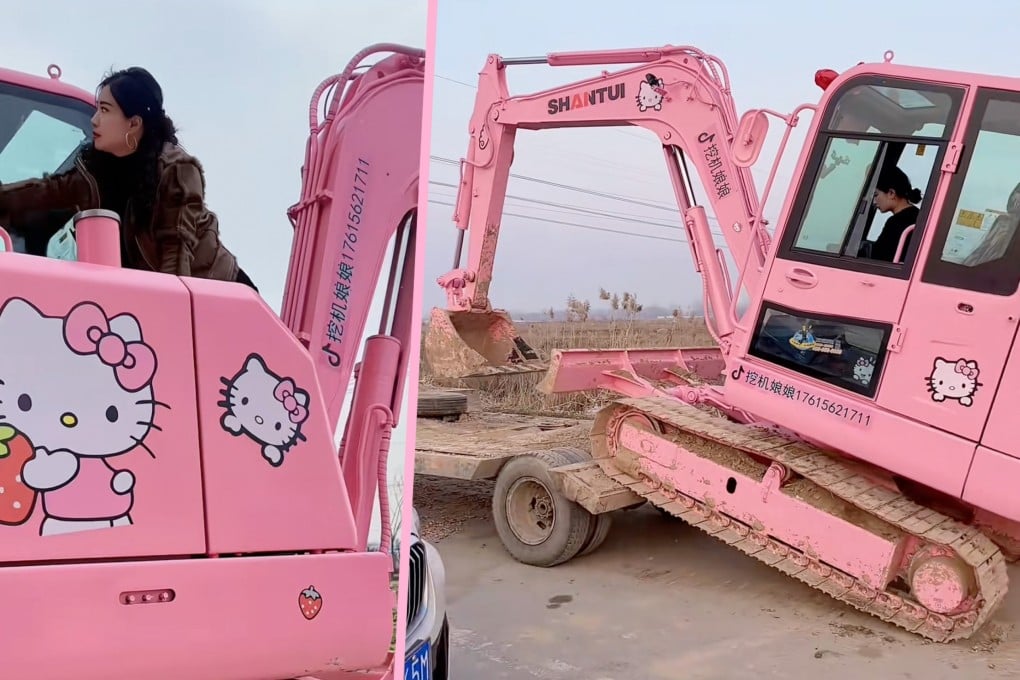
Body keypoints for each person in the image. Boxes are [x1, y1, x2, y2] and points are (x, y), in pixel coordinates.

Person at [0, 66, 257, 291]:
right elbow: (45, 192)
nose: (94, 119)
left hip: (220, 297)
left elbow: (175, 258)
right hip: (165, 296)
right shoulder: (95, 173)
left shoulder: (176, 170)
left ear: (133, 123)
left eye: (105, 110)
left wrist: (164, 319)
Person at [863, 166, 922, 262]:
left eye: (875, 195)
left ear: (891, 193)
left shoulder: (895, 223)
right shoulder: (918, 215)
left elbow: (878, 258)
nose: (873, 201)